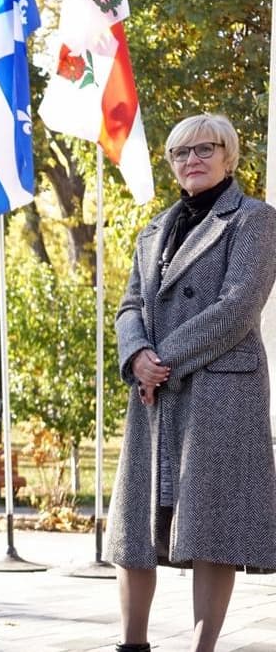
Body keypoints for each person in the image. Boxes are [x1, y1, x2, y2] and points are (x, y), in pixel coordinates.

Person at [107, 113, 276, 652]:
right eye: (181, 153)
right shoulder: (153, 228)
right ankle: (131, 645)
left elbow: (238, 308)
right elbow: (130, 303)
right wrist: (136, 355)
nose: (192, 161)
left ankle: (202, 650)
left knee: (212, 525)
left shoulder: (255, 220)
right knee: (135, 526)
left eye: (205, 149)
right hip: (154, 392)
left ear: (229, 156)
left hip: (220, 390)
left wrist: (163, 359)